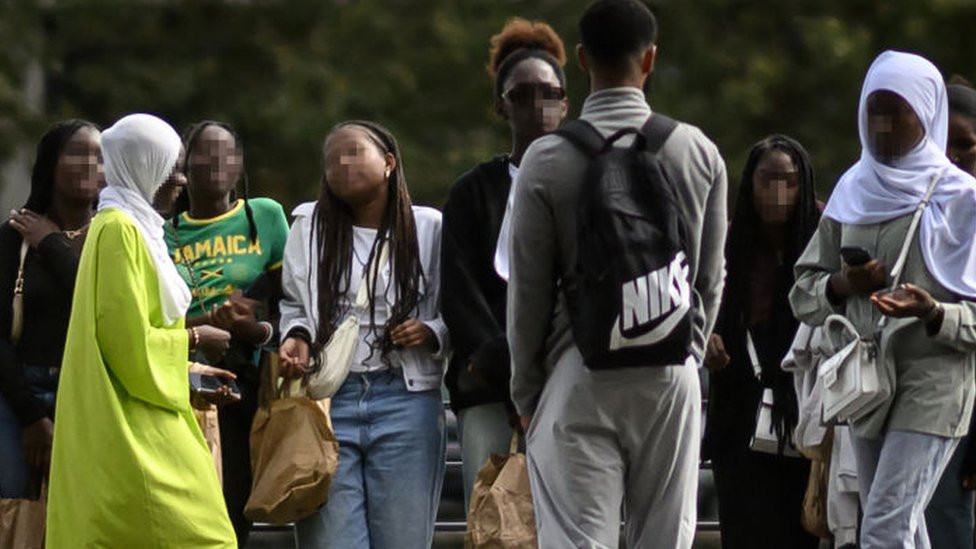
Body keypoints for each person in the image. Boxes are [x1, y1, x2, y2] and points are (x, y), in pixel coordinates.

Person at [507, 1, 728, 547]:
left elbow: (528, 293)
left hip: (577, 368)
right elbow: (708, 279)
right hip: (669, 369)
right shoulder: (696, 151)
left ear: (581, 59)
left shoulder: (546, 159)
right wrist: (686, 352)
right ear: (649, 59)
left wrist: (528, 393)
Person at [790, 51, 976, 549]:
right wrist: (844, 286)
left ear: (929, 112)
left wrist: (934, 312)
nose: (884, 125)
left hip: (935, 385)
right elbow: (804, 289)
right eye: (875, 111)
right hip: (869, 385)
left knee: (884, 528)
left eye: (898, 111)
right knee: (899, 525)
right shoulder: (854, 188)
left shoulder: (964, 199)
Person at [45, 113, 237, 548]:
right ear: (142, 164)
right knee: (206, 537)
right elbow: (127, 346)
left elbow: (136, 329)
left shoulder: (135, 227)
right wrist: (194, 339)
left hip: (151, 407)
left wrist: (191, 370)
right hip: (133, 424)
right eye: (172, 167)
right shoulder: (119, 231)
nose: (181, 180)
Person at [278, 120, 449, 549]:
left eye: (354, 152)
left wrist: (432, 331)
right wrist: (296, 333)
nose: (341, 163)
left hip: (406, 400)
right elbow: (294, 304)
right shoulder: (309, 225)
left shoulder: (428, 227)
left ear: (389, 162)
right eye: (332, 158)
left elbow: (455, 307)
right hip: (329, 400)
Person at [441, 17, 568, 509]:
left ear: (567, 102)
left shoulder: (587, 181)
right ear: (500, 106)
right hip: (488, 382)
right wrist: (508, 366)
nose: (538, 107)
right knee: (494, 515)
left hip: (569, 379)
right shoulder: (473, 191)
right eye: (522, 95)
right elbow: (459, 289)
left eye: (550, 93)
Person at [165, 120, 290, 546]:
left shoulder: (266, 216)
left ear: (239, 166)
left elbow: (291, 302)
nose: (216, 162)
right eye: (204, 153)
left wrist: (254, 329)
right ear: (183, 167)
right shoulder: (163, 234)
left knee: (232, 502)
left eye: (226, 154)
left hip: (244, 383)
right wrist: (201, 328)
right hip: (181, 378)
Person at [703, 135, 820, 549]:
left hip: (803, 416)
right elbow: (702, 307)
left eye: (788, 180)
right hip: (739, 415)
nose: (777, 191)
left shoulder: (822, 238)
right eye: (766, 179)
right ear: (749, 184)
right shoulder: (726, 243)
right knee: (744, 529)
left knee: (799, 529)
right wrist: (708, 340)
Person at [0, 120, 100, 499]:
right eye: (78, 153)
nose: (91, 164)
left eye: (100, 157)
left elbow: (99, 303)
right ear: (50, 164)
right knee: (12, 506)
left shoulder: (114, 235)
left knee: (78, 507)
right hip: (16, 392)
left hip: (87, 392)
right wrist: (31, 416)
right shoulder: (15, 237)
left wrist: (54, 245)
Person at [924, 80, 976, 549]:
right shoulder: (912, 210)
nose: (955, 158)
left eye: (967, 147)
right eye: (944, 146)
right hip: (933, 406)